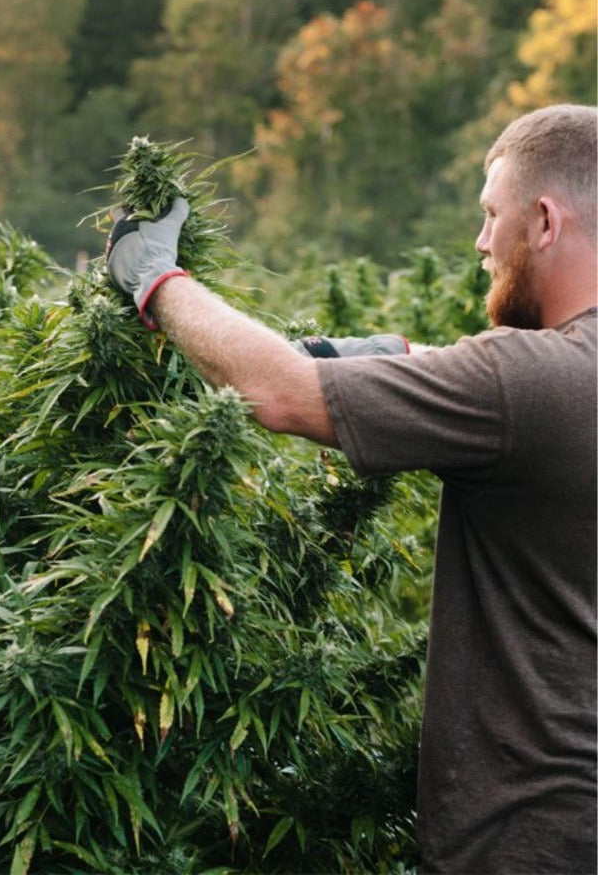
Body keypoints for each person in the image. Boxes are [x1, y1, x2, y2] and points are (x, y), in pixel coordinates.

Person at [104, 103, 597, 874]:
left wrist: (154, 279)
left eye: (489, 216)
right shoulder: (550, 386)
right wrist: (392, 358)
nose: (478, 242)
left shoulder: (531, 384)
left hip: (527, 837)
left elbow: (280, 394)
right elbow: (522, 403)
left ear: (542, 221)